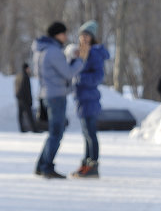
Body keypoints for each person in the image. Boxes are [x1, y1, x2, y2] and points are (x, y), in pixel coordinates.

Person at [32, 21, 88, 179]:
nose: (66, 36)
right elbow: (68, 73)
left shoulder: (41, 50)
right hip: (56, 95)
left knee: (53, 132)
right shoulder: (53, 51)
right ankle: (47, 167)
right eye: (64, 33)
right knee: (56, 133)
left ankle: (41, 165)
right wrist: (80, 60)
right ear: (57, 34)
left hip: (47, 94)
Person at [71, 20, 110, 178]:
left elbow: (98, 76)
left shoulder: (94, 53)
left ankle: (93, 164)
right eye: (82, 35)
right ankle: (86, 162)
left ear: (92, 38)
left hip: (90, 98)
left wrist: (79, 77)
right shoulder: (80, 52)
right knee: (86, 133)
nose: (84, 38)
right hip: (81, 98)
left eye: (87, 35)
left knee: (91, 133)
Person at [15, 62, 36, 132]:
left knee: (20, 115)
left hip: (19, 99)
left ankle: (22, 129)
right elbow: (26, 90)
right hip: (25, 100)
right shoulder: (25, 77)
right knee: (29, 115)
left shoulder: (18, 76)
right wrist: (29, 100)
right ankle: (34, 129)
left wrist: (17, 96)